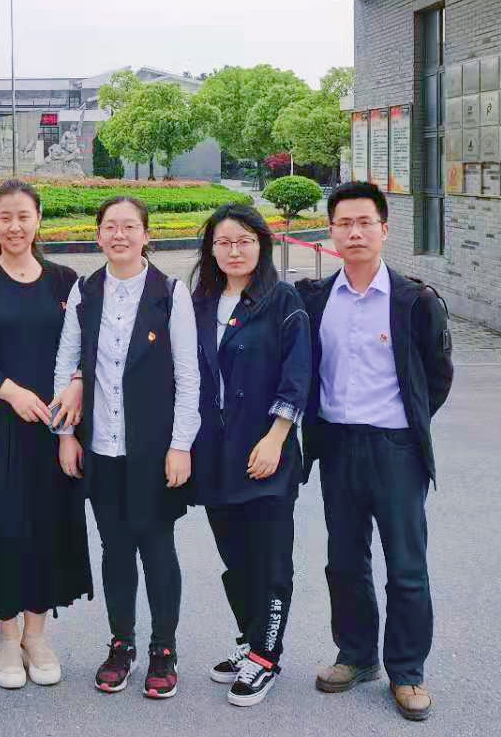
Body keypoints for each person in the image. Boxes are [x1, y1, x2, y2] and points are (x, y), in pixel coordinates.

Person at [295, 181, 453, 722]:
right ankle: (356, 655)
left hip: (395, 448)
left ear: (384, 229)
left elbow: (436, 377)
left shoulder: (415, 301)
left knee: (406, 565)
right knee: (344, 561)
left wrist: (406, 426)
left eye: (365, 222)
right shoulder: (315, 299)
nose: (355, 232)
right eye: (344, 223)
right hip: (337, 446)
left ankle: (407, 671)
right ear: (331, 232)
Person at [50, 196, 200, 700]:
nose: (119, 235)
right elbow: (66, 362)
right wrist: (65, 435)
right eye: (110, 227)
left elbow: (188, 377)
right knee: (115, 549)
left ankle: (163, 649)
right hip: (100, 446)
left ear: (146, 235)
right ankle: (122, 644)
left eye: (129, 226)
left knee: (156, 547)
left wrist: (181, 445)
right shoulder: (85, 290)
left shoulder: (170, 293)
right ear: (98, 235)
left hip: (153, 447)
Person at [0, 179, 92, 690]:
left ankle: (36, 635)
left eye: (23, 216)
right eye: (4, 216)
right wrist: (9, 391)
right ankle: (6, 637)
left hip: (53, 428)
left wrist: (75, 388)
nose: (14, 226)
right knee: (2, 527)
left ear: (38, 219)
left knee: (46, 527)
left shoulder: (65, 282)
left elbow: (86, 346)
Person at [191, 203, 312, 707]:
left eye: (243, 240)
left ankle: (266, 655)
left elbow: (298, 373)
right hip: (216, 455)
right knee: (235, 558)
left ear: (261, 244)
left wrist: (276, 437)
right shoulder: (200, 302)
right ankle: (250, 640)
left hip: (266, 451)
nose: (233, 250)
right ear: (211, 249)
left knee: (270, 559)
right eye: (223, 242)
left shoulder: (283, 300)